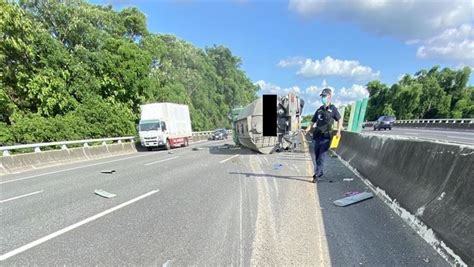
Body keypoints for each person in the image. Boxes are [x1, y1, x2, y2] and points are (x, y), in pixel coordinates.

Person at [304, 88, 342, 183]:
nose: (323, 98)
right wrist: (308, 129)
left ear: (330, 96)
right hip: (317, 136)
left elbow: (339, 119)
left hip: (326, 137)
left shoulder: (333, 109)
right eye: (322, 96)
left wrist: (338, 131)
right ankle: (319, 171)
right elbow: (312, 121)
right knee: (316, 156)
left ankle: (317, 174)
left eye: (325, 96)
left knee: (321, 155)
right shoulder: (319, 110)